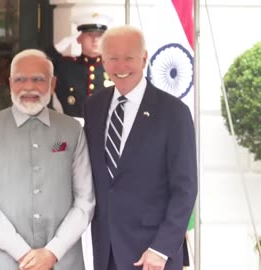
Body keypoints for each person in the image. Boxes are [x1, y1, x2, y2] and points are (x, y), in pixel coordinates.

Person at [0, 49, 95, 270]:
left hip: (62, 261)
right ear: (10, 83)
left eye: (38, 79)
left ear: (53, 84)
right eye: (20, 79)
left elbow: (85, 200)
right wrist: (23, 253)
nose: (29, 87)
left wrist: (52, 252)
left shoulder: (72, 129)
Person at [83, 25, 197, 270]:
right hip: (106, 251)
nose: (121, 66)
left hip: (152, 255)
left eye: (129, 58)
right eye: (113, 58)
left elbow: (185, 189)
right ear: (103, 61)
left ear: (144, 58)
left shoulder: (174, 113)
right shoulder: (93, 107)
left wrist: (161, 248)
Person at [47, 12, 113, 117]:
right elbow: (40, 63)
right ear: (79, 38)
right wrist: (61, 45)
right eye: (89, 35)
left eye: (99, 36)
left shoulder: (115, 68)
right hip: (72, 129)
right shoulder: (66, 67)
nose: (95, 40)